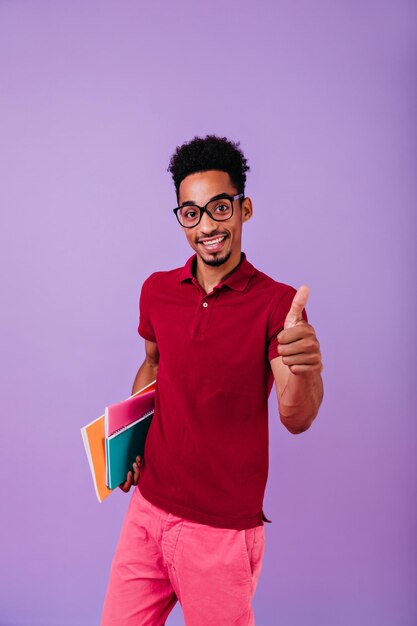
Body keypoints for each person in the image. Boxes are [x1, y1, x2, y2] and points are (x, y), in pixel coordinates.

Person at [101, 135, 323, 626]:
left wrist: (305, 367)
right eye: (191, 213)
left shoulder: (277, 306)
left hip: (220, 533)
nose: (207, 226)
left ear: (244, 209)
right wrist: (130, 443)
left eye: (219, 208)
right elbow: (154, 366)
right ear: (180, 218)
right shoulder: (157, 290)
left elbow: (296, 415)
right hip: (147, 512)